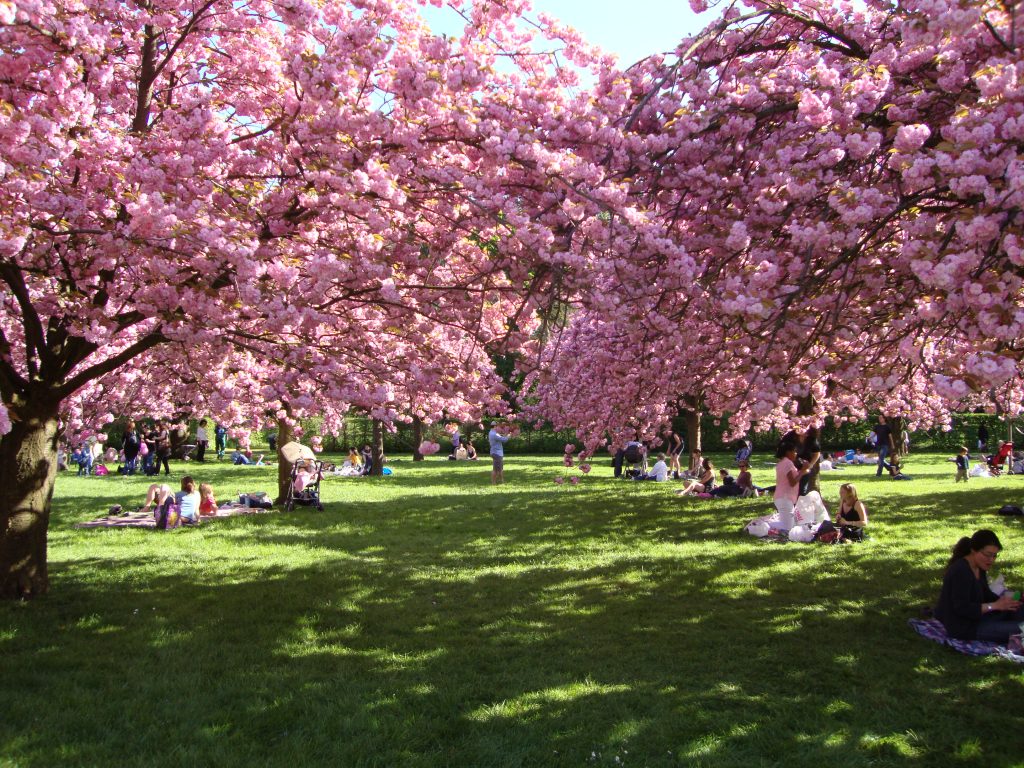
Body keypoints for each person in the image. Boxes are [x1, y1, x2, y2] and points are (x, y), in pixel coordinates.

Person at [934, 530, 1024, 643]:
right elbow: (962, 608)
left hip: (980, 618)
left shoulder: (979, 567)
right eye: (987, 555)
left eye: (994, 556)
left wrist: (1006, 601)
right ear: (973, 550)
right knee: (1021, 628)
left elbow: (985, 594)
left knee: (1018, 609)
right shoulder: (960, 571)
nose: (991, 560)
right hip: (965, 627)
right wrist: (994, 606)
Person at [773, 441, 812, 531]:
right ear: (788, 452)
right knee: (788, 527)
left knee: (790, 524)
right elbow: (792, 482)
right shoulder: (788, 463)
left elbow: (790, 478)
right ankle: (761, 524)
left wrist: (803, 471)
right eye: (794, 451)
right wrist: (802, 470)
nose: (796, 454)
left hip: (782, 497)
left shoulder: (781, 463)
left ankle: (764, 525)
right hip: (784, 498)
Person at [798, 426, 822, 495]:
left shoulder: (811, 440)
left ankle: (800, 504)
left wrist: (811, 464)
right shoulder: (792, 437)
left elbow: (817, 453)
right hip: (792, 466)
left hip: (804, 467)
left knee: (802, 489)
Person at [488, 420, 512, 485]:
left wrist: (505, 434)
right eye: (497, 426)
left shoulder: (491, 432)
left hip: (494, 452)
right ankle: (497, 482)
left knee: (497, 468)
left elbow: (500, 436)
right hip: (497, 453)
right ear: (495, 426)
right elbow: (504, 440)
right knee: (498, 469)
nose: (498, 427)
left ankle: (499, 481)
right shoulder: (494, 434)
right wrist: (508, 436)